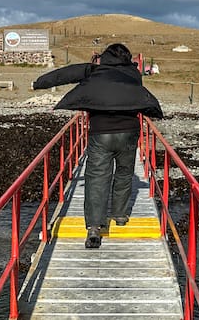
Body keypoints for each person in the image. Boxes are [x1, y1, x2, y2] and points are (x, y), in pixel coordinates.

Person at [33, 43, 163, 248]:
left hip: (100, 133)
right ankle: (120, 215)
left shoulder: (95, 70)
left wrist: (38, 83)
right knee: (124, 173)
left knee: (97, 178)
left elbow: (65, 74)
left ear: (105, 57)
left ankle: (94, 228)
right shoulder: (133, 74)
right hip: (129, 132)